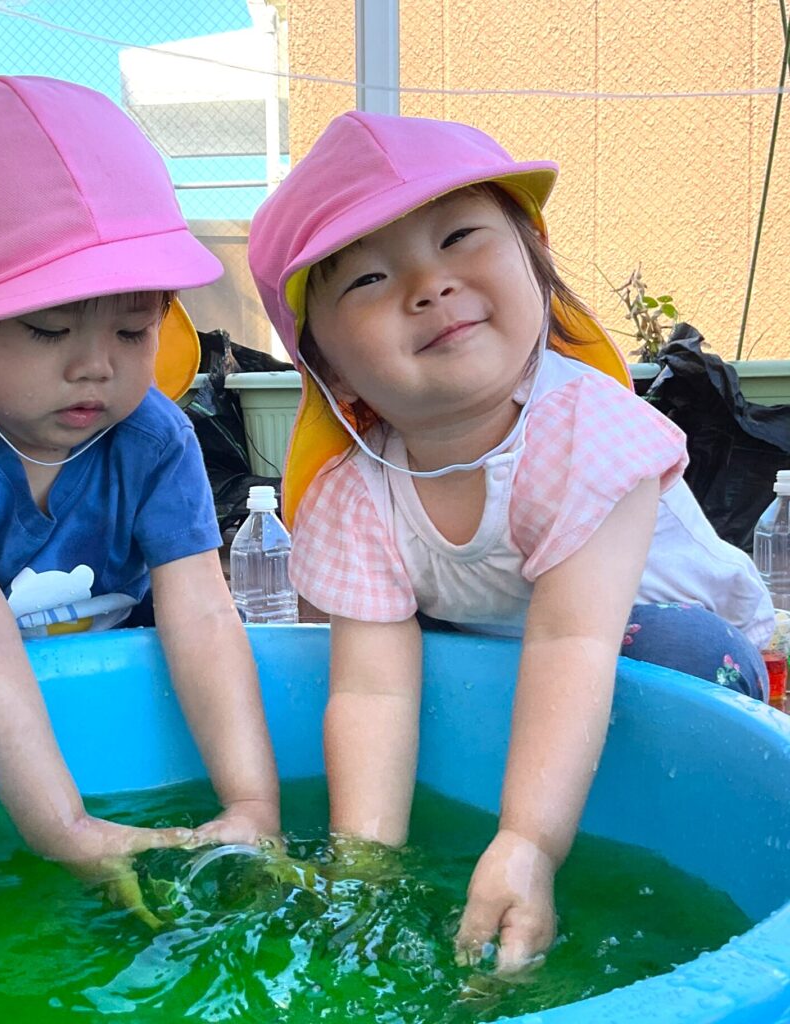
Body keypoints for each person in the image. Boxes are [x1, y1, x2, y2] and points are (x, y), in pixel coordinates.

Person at [247, 112, 773, 971]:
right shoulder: (356, 491)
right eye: (371, 278)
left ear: (534, 257)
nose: (429, 284)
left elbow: (576, 640)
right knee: (419, 670)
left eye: (459, 236)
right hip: (506, 651)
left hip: (651, 651)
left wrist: (528, 842)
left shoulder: (585, 430)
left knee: (687, 651)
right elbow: (374, 695)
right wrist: (363, 877)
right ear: (328, 367)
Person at [0, 76, 279, 917]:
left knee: (225, 631)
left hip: (116, 638)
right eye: (48, 329)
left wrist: (253, 807)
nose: (94, 364)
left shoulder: (155, 436)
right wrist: (68, 830)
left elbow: (204, 618)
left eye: (132, 327)